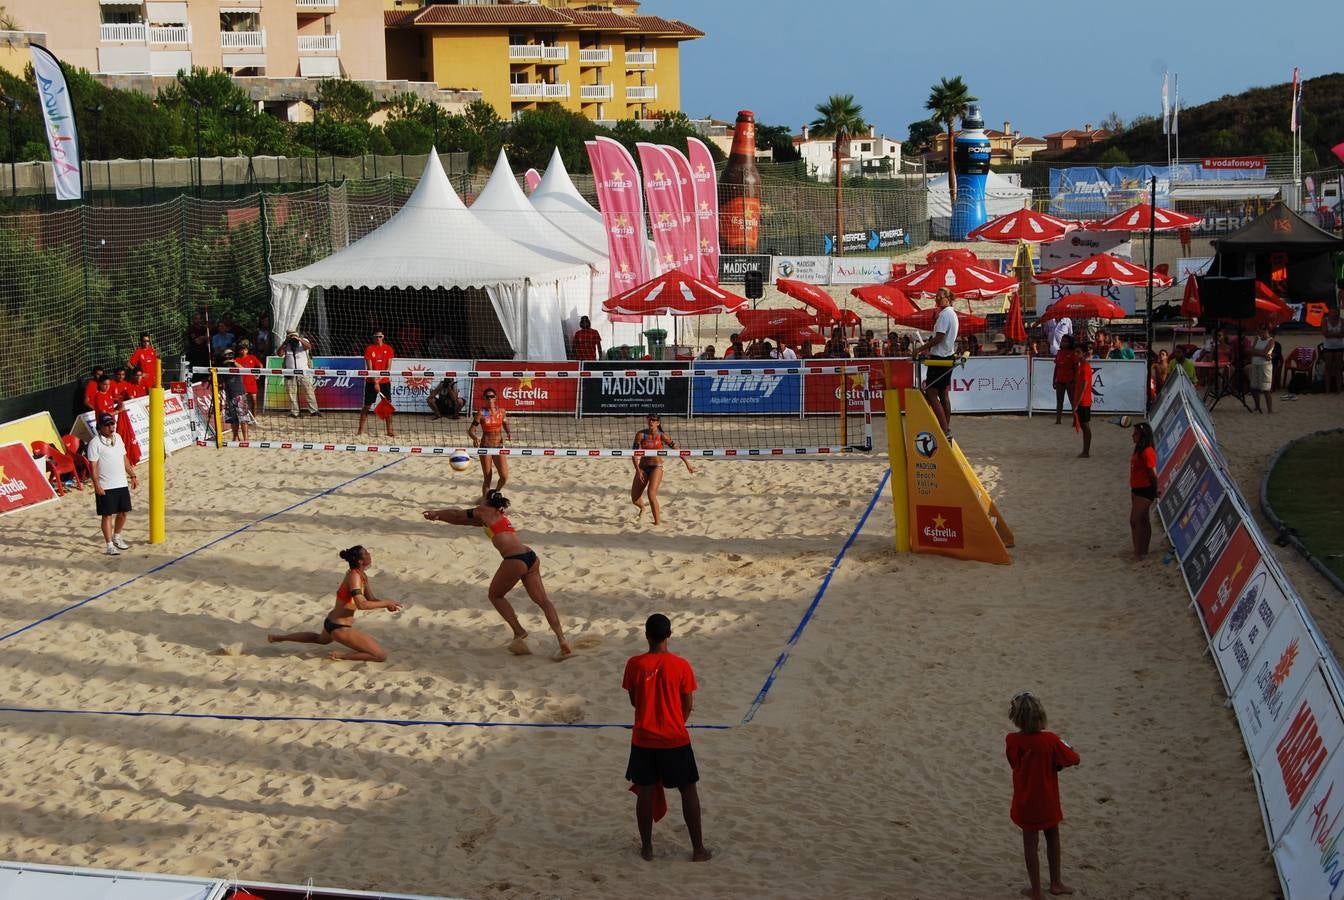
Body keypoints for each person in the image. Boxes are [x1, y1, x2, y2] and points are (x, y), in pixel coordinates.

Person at [422, 491, 572, 659]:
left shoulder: (483, 510)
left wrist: (437, 514)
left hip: (515, 560)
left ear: (487, 501)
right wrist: (440, 518)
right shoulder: (496, 514)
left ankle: (519, 631)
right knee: (543, 601)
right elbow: (461, 520)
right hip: (530, 556)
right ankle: (562, 640)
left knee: (495, 595)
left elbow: (457, 513)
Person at [623, 613, 710, 862]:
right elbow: (688, 704)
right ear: (669, 635)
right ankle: (698, 849)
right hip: (674, 739)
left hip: (644, 739)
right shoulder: (681, 665)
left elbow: (634, 701)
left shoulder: (635, 664)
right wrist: (675, 723)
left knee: (645, 792)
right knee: (688, 790)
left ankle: (647, 848)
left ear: (647, 635)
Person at [268, 545, 402, 662]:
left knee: (320, 639)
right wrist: (386, 603)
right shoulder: (354, 577)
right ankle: (342, 656)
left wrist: (388, 605)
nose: (369, 554)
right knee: (380, 656)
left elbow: (371, 599)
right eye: (366, 553)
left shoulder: (361, 575)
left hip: (331, 622)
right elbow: (362, 604)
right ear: (361, 561)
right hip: (340, 627)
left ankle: (279, 637)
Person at [1007, 691, 1079, 900]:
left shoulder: (1012, 741)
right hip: (1047, 800)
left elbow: (1014, 763)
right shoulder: (1050, 740)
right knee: (1052, 837)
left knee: (1030, 844)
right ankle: (1056, 883)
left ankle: (1036, 890)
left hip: (1026, 802)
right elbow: (1074, 759)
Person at [86, 412, 138, 556]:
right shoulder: (95, 443)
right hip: (106, 485)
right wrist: (96, 484)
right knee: (107, 515)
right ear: (100, 427)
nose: (111, 427)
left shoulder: (118, 438)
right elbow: (93, 466)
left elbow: (124, 458)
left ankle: (117, 537)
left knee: (123, 513)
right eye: (107, 425)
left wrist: (132, 475)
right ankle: (109, 545)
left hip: (121, 483)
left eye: (112, 424)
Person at [631, 413, 693, 526]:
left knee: (651, 494)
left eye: (654, 420)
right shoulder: (640, 435)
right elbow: (634, 454)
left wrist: (687, 463)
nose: (651, 422)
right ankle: (643, 509)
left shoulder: (662, 436)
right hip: (643, 467)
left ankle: (657, 523)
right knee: (634, 498)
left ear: (658, 423)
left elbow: (676, 449)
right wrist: (638, 470)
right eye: (650, 419)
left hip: (656, 467)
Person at [914, 286, 959, 437]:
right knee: (943, 393)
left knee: (931, 392)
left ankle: (945, 429)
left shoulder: (945, 315)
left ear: (948, 298)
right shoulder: (952, 314)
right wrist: (928, 347)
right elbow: (940, 338)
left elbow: (939, 337)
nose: (937, 299)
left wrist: (920, 349)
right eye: (936, 297)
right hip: (948, 355)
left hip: (940, 358)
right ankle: (946, 427)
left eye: (940, 297)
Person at [468, 387, 511, 498]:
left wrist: (508, 432)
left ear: (495, 397)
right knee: (488, 477)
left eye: (492, 396)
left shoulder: (501, 411)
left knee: (504, 476)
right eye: (487, 397)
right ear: (485, 398)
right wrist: (474, 438)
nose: (490, 399)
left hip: (498, 446)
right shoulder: (481, 413)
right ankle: (485, 501)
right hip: (485, 447)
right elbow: (471, 430)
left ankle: (494, 492)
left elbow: (505, 423)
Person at [1129, 422, 1160, 560]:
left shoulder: (1147, 451)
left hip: (1145, 490)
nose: (1132, 436)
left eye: (1135, 433)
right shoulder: (1139, 448)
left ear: (1142, 436)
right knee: (1143, 520)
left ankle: (1138, 553)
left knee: (1134, 520)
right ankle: (1144, 551)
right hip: (1136, 488)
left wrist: (1156, 489)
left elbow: (1153, 473)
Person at [357, 329, 396, 437]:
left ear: (383, 337)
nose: (378, 339)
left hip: (384, 381)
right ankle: (360, 431)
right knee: (366, 406)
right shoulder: (369, 349)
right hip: (371, 381)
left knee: (387, 406)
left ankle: (389, 431)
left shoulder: (388, 349)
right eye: (376, 337)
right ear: (373, 338)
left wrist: (378, 382)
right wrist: (375, 382)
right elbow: (370, 369)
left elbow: (388, 369)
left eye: (380, 336)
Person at [280, 330, 321, 418]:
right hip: (289, 372)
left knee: (309, 391)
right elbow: (279, 354)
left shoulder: (303, 341)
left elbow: (309, 347)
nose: (292, 338)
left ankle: (314, 411)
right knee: (291, 393)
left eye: (293, 336)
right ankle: (294, 412)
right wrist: (286, 341)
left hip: (304, 372)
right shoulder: (286, 344)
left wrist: (299, 339)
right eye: (290, 336)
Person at [218, 349, 253, 440]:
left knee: (243, 418)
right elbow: (220, 383)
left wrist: (234, 362)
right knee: (232, 419)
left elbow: (245, 370)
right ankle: (235, 436)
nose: (228, 357)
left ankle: (246, 438)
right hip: (229, 395)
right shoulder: (222, 368)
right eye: (227, 356)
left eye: (229, 355)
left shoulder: (236, 365)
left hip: (239, 395)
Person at [1246, 324, 1274, 414]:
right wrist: (1262, 354)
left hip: (1264, 366)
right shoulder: (1257, 339)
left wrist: (1257, 352)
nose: (1259, 333)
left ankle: (1270, 409)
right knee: (1253, 387)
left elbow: (1265, 352)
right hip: (1255, 364)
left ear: (1266, 331)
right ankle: (1257, 406)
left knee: (1266, 388)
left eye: (1261, 331)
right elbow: (1252, 351)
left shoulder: (1271, 341)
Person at [1072, 342, 1094, 458]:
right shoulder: (1081, 366)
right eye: (1075, 351)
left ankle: (1086, 451)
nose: (1075, 354)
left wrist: (1077, 403)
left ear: (1084, 353)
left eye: (1078, 352)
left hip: (1083, 401)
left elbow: (1084, 388)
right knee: (1084, 426)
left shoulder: (1085, 367)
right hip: (1081, 400)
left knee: (1085, 426)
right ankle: (1085, 451)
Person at [233, 339, 264, 419]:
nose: (243, 351)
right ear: (239, 350)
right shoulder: (236, 360)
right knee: (243, 402)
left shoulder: (252, 357)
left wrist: (258, 375)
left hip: (252, 382)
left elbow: (260, 365)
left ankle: (254, 417)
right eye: (241, 349)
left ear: (247, 350)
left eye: (245, 349)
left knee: (254, 401)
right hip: (242, 383)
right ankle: (244, 417)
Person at [1323, 302, 1344, 394]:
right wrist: (1336, 335)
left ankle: (1339, 389)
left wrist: (1331, 334)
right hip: (1328, 346)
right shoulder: (1325, 320)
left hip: (1339, 346)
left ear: (1338, 312)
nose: (1334, 314)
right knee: (1328, 368)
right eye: (1332, 312)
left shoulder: (1342, 321)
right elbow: (1325, 334)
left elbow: (1342, 334)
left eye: (1335, 312)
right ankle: (1327, 390)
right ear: (1329, 312)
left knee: (1339, 368)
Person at [185, 313, 211, 383]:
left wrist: (202, 337)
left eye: (199, 318)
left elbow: (208, 338)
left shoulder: (204, 328)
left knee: (205, 370)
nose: (198, 320)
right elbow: (197, 341)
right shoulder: (191, 329)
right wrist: (204, 337)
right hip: (194, 354)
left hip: (204, 353)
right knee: (195, 372)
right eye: (196, 319)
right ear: (193, 320)